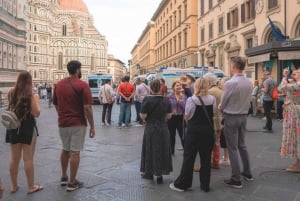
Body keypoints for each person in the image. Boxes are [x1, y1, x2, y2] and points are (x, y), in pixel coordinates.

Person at [53, 60, 95, 192]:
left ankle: (64, 177)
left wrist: (62, 114)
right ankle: (72, 183)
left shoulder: (58, 85)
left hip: (63, 123)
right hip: (78, 123)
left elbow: (55, 103)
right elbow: (87, 107)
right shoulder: (83, 85)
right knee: (75, 152)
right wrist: (92, 125)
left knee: (65, 149)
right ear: (78, 70)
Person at [169, 78, 216, 192]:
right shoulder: (212, 99)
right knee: (205, 159)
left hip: (194, 132)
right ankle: (205, 185)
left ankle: (183, 183)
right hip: (208, 132)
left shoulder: (192, 100)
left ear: (196, 86)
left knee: (189, 157)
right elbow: (213, 112)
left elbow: (187, 116)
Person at [5, 71, 43, 194]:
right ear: (29, 81)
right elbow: (37, 113)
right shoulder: (31, 95)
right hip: (27, 127)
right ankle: (31, 186)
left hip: (13, 126)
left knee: (14, 158)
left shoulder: (11, 92)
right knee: (28, 159)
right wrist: (37, 101)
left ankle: (13, 186)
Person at [218, 56, 253, 189]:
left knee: (232, 148)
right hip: (243, 116)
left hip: (231, 116)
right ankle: (248, 172)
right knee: (242, 145)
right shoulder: (249, 82)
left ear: (233, 66)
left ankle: (236, 178)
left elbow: (223, 102)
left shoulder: (230, 83)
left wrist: (220, 107)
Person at [140, 79, 173, 184]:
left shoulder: (147, 100)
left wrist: (147, 119)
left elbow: (143, 116)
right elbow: (169, 116)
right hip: (163, 127)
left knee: (150, 149)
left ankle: (149, 173)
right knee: (162, 149)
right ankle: (160, 175)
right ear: (160, 88)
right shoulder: (166, 100)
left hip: (151, 127)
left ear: (150, 88)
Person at [278, 69, 300, 172]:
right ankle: (297, 163)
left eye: (297, 72)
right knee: (295, 138)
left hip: (296, 114)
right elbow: (280, 89)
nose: (294, 74)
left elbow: (283, 87)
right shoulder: (295, 83)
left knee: (297, 137)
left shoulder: (297, 84)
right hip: (293, 114)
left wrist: (284, 77)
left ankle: (299, 165)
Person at [204, 72, 222, 169]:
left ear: (209, 82)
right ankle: (216, 161)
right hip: (219, 120)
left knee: (208, 143)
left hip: (210, 121)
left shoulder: (209, 92)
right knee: (217, 142)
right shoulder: (221, 91)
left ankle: (211, 161)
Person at [167, 81, 186, 154]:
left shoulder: (184, 96)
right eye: (177, 85)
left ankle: (186, 150)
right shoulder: (169, 96)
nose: (179, 87)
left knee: (182, 134)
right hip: (171, 118)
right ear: (173, 88)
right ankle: (171, 150)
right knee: (171, 135)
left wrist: (180, 101)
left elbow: (185, 108)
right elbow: (167, 107)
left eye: (180, 85)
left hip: (180, 117)